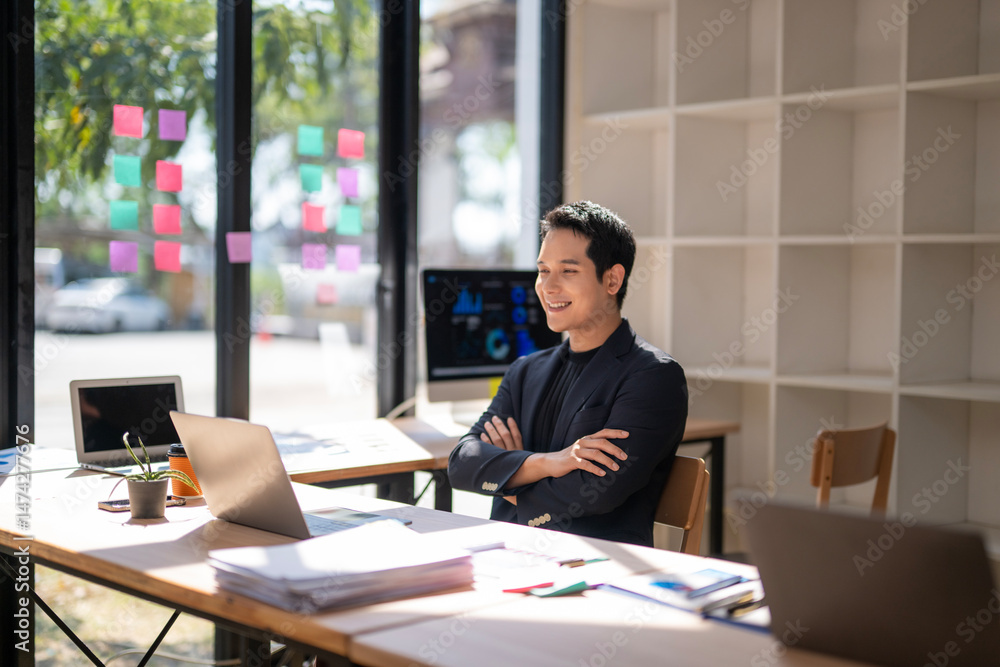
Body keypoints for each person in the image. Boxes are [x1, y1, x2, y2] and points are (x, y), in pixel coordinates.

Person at [448, 201, 688, 547]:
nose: (548, 286)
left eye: (568, 271)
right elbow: (462, 463)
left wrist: (509, 472)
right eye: (543, 270)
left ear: (612, 279)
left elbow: (593, 493)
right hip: (505, 554)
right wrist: (550, 463)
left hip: (595, 567)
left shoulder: (653, 376)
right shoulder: (525, 370)